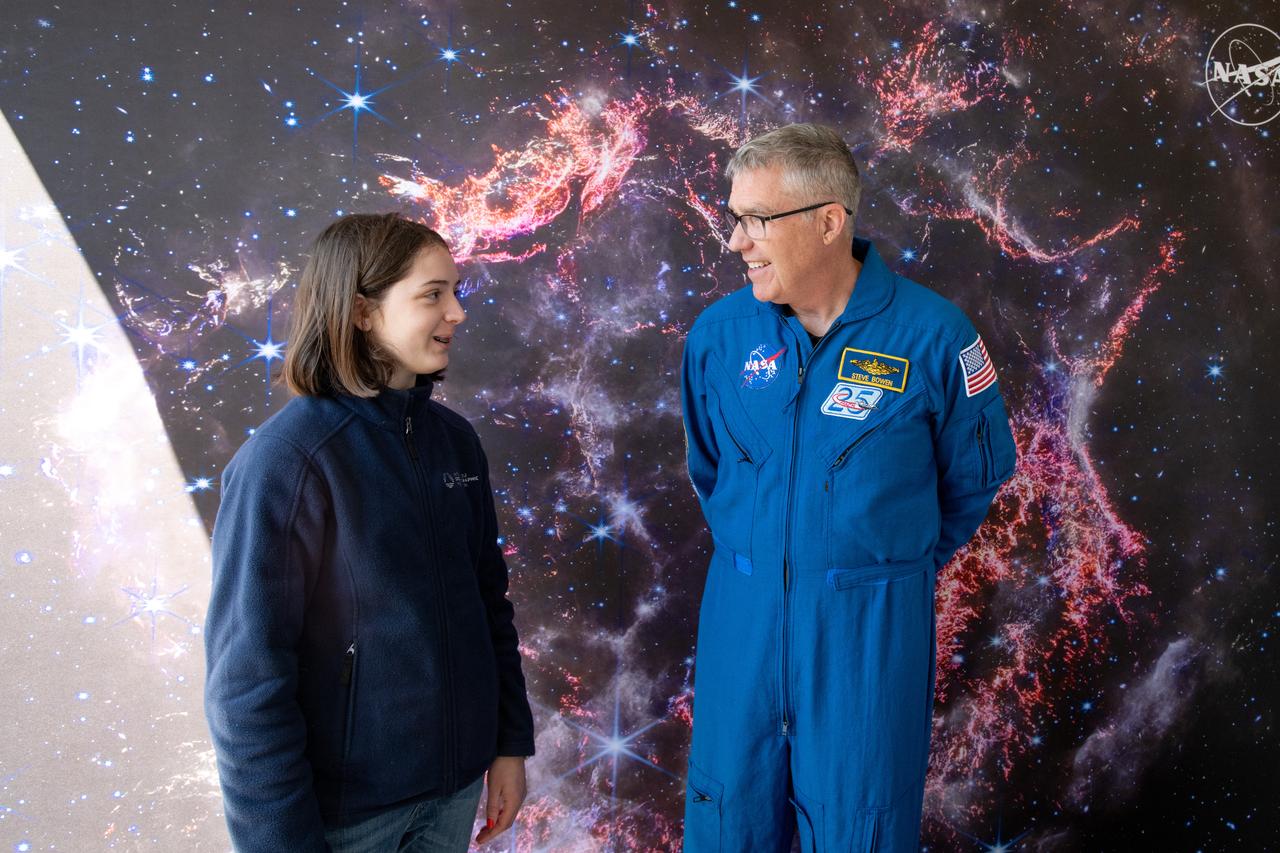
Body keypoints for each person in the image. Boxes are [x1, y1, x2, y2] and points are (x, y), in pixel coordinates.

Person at [679, 124, 1017, 851]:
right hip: (741, 623)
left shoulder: (934, 338)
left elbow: (973, 480)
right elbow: (709, 470)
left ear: (829, 221)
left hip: (868, 638)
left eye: (756, 220)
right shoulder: (717, 337)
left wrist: (876, 566)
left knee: (862, 826)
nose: (736, 242)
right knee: (727, 816)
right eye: (735, 218)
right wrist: (770, 554)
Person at [204, 213, 536, 852]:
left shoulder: (455, 442)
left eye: (455, 291)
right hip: (348, 820)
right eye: (432, 294)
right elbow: (246, 680)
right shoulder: (288, 462)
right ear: (361, 311)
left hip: (454, 795)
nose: (457, 313)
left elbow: (488, 606)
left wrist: (508, 745)